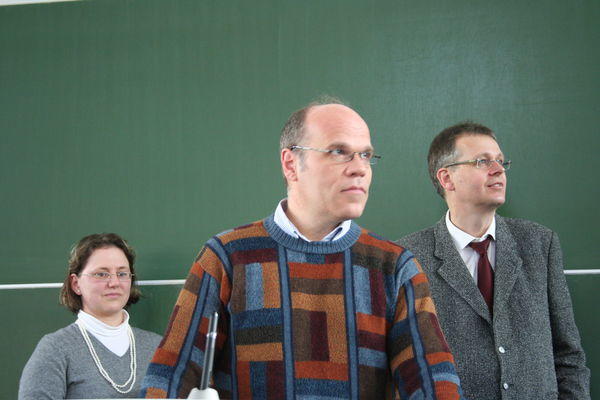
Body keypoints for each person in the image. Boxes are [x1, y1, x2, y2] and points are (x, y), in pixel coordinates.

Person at [141, 99, 464, 399]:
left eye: (366, 155)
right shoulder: (228, 257)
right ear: (291, 163)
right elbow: (172, 376)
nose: (360, 168)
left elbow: (433, 380)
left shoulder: (394, 267)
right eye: (339, 151)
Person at [396, 121, 590, 400]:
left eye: (500, 161)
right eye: (482, 161)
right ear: (447, 178)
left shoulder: (539, 243)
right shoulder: (408, 257)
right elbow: (401, 366)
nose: (498, 169)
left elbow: (568, 355)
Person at [19, 233, 162, 399]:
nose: (114, 283)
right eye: (101, 274)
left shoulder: (157, 347)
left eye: (122, 273)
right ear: (76, 284)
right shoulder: (55, 349)